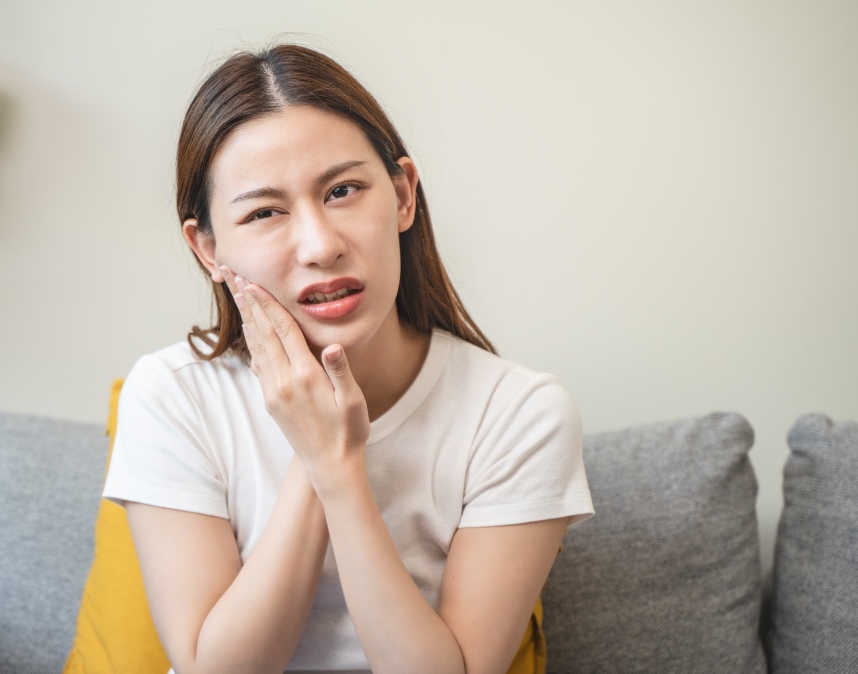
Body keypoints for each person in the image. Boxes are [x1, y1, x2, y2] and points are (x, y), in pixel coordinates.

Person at [103, 43, 594, 674]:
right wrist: (315, 449)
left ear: (402, 196)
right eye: (264, 212)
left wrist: (338, 468)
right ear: (208, 250)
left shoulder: (518, 412)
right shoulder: (173, 395)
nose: (319, 245)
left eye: (342, 190)